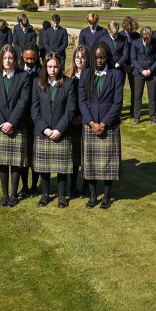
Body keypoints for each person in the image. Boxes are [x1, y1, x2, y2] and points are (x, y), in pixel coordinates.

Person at [79, 42, 124, 209]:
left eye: (102, 57)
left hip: (108, 125)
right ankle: (92, 196)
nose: (99, 60)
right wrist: (92, 123)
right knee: (90, 162)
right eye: (96, 57)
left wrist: (103, 123)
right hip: (90, 124)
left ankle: (106, 196)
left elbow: (117, 102)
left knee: (108, 162)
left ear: (107, 57)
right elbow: (82, 101)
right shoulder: (85, 74)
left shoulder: (116, 75)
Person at [31, 51, 77, 208]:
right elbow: (34, 110)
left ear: (60, 67)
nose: (52, 69)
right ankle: (45, 195)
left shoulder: (69, 83)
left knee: (61, 167)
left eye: (55, 66)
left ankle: (62, 196)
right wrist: (45, 129)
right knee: (44, 167)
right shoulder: (38, 83)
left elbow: (70, 110)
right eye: (49, 66)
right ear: (45, 67)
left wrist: (59, 130)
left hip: (61, 132)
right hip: (43, 132)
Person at [0, 44, 30, 207]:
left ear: (15, 59)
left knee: (16, 161)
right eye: (4, 57)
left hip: (16, 125)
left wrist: (11, 122)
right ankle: (4, 194)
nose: (7, 60)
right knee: (3, 162)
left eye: (10, 58)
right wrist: (2, 123)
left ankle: (13, 194)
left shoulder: (23, 76)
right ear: (1, 59)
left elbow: (23, 101)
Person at [65, 45, 91, 197]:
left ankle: (86, 185)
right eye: (77, 56)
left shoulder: (91, 76)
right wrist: (72, 117)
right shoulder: (68, 76)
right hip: (72, 121)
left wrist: (84, 118)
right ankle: (73, 185)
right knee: (74, 155)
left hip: (87, 120)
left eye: (82, 57)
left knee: (87, 155)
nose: (79, 59)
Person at [18, 41, 41, 197]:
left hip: (37, 120)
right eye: (27, 58)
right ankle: (24, 186)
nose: (29, 62)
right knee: (22, 156)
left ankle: (34, 186)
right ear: (22, 56)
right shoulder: (18, 71)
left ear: (37, 56)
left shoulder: (42, 72)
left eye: (32, 59)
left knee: (35, 156)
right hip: (21, 119)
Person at [129, 26, 156, 125]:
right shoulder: (135, 43)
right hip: (139, 73)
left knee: (152, 96)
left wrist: (151, 69)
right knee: (137, 96)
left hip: (152, 73)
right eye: (145, 39)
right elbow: (133, 59)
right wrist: (141, 70)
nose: (147, 41)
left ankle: (152, 116)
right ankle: (137, 117)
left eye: (149, 39)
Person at [120, 16, 140, 118]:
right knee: (119, 89)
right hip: (121, 66)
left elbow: (139, 51)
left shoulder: (137, 36)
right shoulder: (120, 35)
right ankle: (119, 111)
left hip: (134, 66)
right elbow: (118, 53)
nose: (132, 31)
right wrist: (123, 65)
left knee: (135, 90)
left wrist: (132, 65)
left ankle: (133, 111)